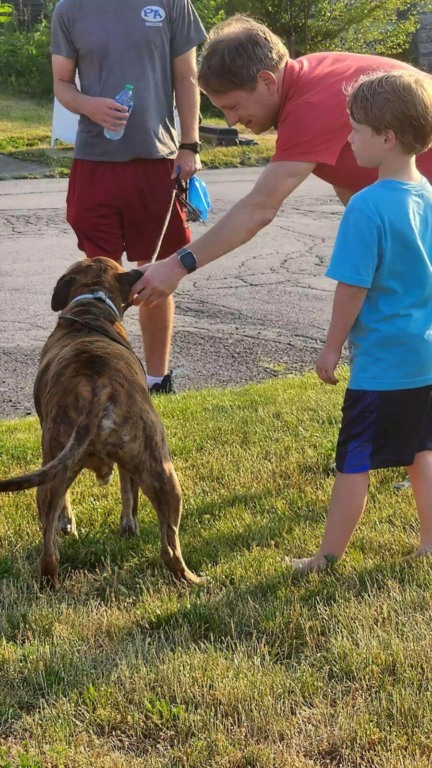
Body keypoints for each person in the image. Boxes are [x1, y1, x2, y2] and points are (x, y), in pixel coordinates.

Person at [130, 15, 432, 301]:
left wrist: (176, 266)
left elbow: (259, 208)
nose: (231, 121)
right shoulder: (311, 74)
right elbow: (351, 182)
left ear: (266, 81)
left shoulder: (308, 107)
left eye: (233, 106)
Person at [290, 70, 432, 572]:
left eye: (356, 130)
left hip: (381, 365)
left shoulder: (366, 206)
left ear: (387, 138)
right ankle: (429, 543)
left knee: (354, 461)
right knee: (422, 452)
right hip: (424, 358)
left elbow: (353, 287)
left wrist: (331, 348)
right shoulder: (430, 197)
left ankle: (326, 557)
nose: (348, 140)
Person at [51, 0, 207, 394]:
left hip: (157, 161)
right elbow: (62, 84)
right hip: (94, 162)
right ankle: (101, 376)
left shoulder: (171, 3)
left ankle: (157, 379)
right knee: (97, 277)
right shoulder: (70, 9)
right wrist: (91, 106)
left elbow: (187, 77)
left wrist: (190, 145)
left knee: (154, 273)